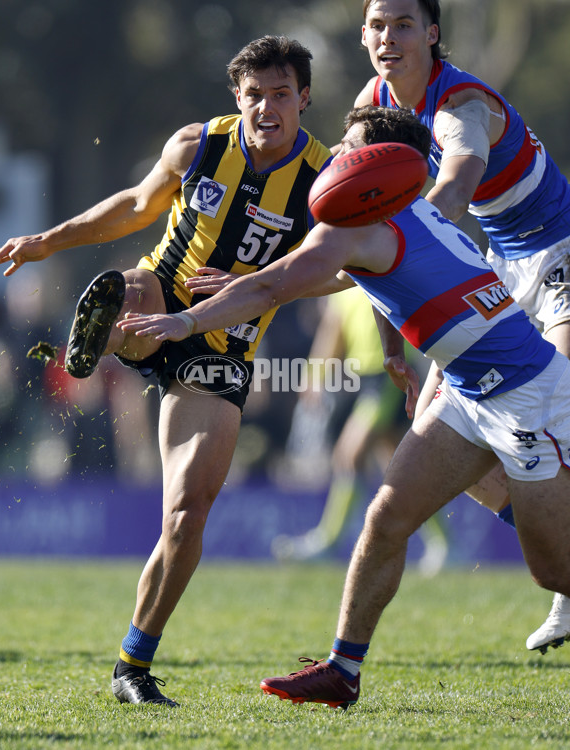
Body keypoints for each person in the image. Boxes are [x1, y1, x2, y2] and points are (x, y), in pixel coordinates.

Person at [116, 105, 570, 710]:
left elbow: (277, 286)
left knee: (553, 572)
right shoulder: (402, 210)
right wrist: (389, 354)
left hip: (525, 396)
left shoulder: (360, 222)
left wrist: (186, 320)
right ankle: (342, 671)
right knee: (384, 519)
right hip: (468, 392)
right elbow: (335, 279)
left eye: (350, 149)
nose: (336, 159)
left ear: (378, 165)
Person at [0, 35, 333, 705]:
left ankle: (131, 667)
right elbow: (137, 206)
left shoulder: (324, 178)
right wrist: (46, 243)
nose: (266, 108)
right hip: (157, 296)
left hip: (222, 347)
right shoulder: (198, 145)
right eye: (254, 95)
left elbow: (343, 272)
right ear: (238, 98)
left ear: (304, 99)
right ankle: (107, 337)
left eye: (281, 95)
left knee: (184, 517)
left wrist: (259, 283)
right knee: (134, 289)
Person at [354, 0, 570, 654]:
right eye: (377, 26)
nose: (388, 38)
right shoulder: (374, 104)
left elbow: (455, 178)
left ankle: (562, 589)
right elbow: (351, 214)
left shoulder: (463, 104)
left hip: (560, 255)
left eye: (403, 25)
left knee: (561, 410)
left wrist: (412, 230)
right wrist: (393, 346)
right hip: (499, 269)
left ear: (432, 33)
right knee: (443, 425)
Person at [272, 286, 448, 575]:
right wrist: (314, 377)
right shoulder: (344, 284)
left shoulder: (383, 274)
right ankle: (446, 545)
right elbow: (334, 331)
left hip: (390, 377)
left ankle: (329, 542)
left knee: (348, 455)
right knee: (404, 468)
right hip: (363, 380)